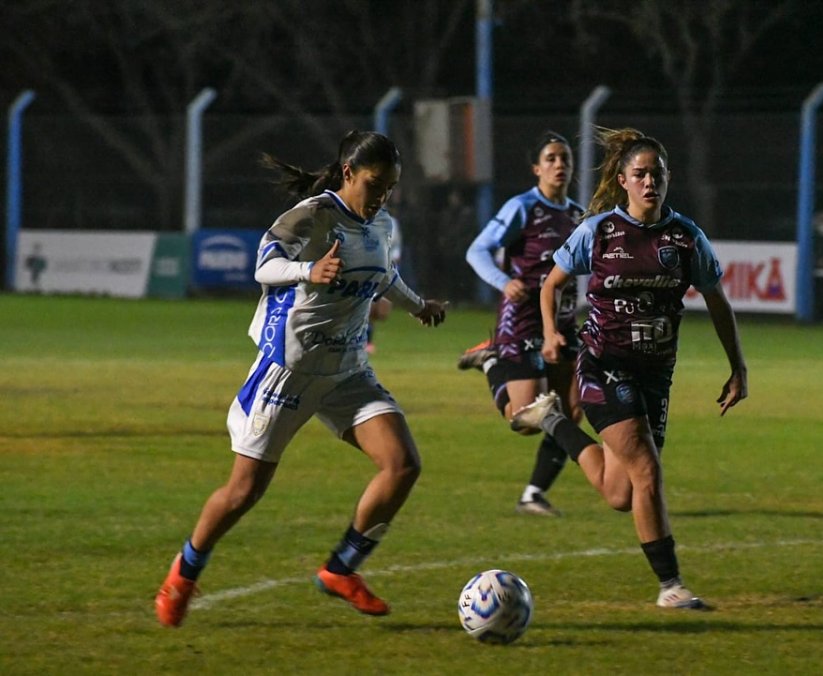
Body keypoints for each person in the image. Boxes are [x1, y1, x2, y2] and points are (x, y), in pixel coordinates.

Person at [155, 130, 447, 627]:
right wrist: (309, 271)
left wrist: (420, 307)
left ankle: (341, 570)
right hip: (288, 371)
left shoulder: (382, 224)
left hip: (347, 371)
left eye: (391, 188)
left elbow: (384, 277)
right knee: (243, 492)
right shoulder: (314, 216)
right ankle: (183, 573)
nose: (382, 196)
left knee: (402, 464)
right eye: (375, 184)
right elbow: (263, 268)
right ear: (349, 173)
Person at [511, 127, 747, 608]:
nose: (648, 183)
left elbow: (718, 302)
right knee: (647, 469)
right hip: (603, 366)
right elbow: (550, 284)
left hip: (655, 377)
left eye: (656, 174)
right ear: (623, 180)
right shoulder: (598, 231)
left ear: (667, 179)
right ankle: (671, 587)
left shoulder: (685, 238)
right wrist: (555, 332)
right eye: (639, 174)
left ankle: (553, 419)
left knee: (621, 493)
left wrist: (737, 366)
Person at [458, 131, 584, 517]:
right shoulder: (523, 207)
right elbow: (476, 249)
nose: (559, 164)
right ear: (536, 168)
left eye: (564, 157)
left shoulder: (578, 215)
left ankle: (533, 494)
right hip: (524, 320)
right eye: (551, 158)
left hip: (562, 322)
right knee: (525, 420)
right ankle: (493, 360)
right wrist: (503, 281)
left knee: (572, 410)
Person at [365, 212, 402, 353]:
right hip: (369, 268)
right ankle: (364, 340)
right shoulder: (364, 222)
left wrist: (395, 261)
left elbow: (397, 246)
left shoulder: (392, 223)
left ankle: (368, 340)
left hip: (387, 269)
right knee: (366, 304)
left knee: (379, 309)